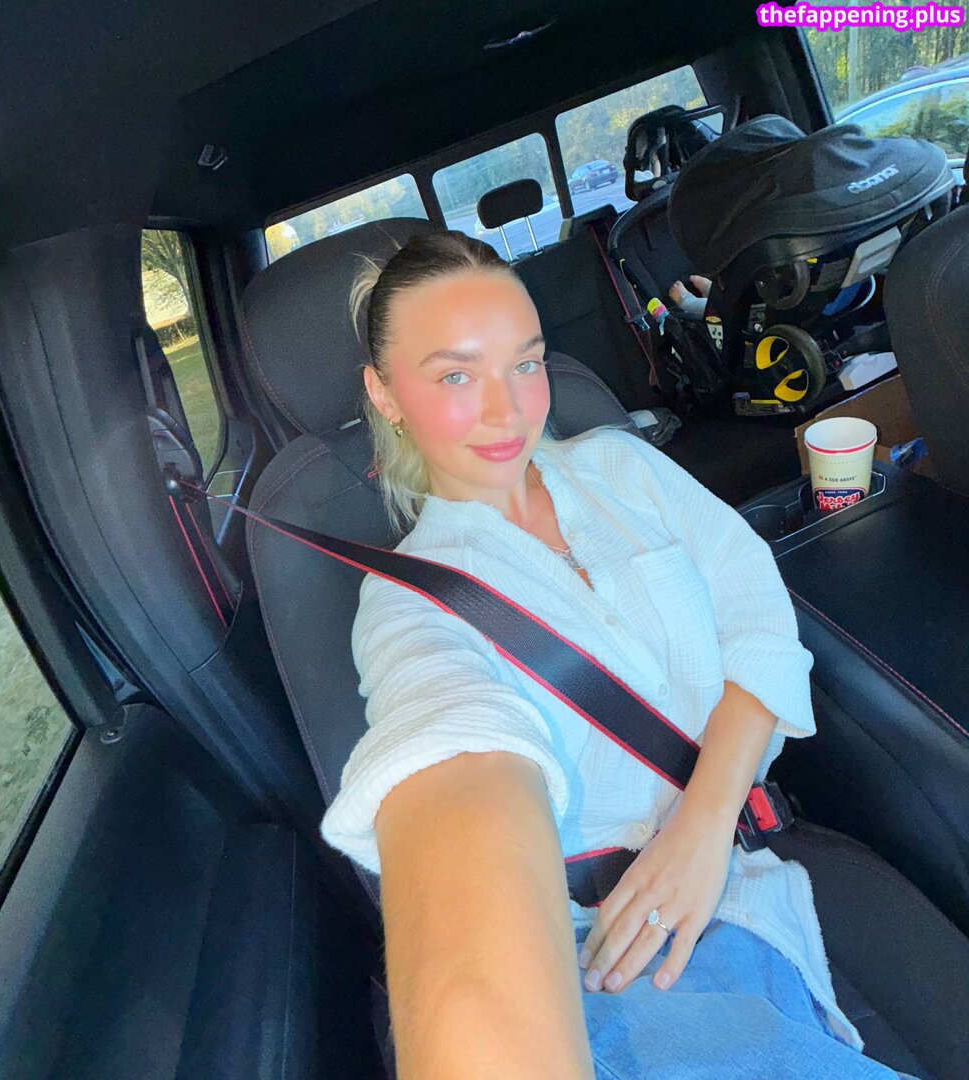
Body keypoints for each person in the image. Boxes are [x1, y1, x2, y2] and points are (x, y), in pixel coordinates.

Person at [318, 230, 916, 1079]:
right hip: (616, 955)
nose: (507, 410)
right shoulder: (406, 601)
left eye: (525, 364)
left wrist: (702, 827)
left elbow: (759, 620)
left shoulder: (621, 465)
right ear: (385, 394)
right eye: (455, 376)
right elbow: (452, 753)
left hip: (750, 865)